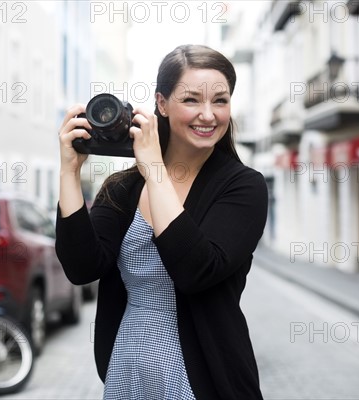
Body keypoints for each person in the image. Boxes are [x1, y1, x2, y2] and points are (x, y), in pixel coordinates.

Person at [55, 45, 268, 399]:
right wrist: (69, 170)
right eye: (190, 100)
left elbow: (196, 271)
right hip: (129, 364)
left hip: (205, 374)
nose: (208, 115)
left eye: (220, 100)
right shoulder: (123, 187)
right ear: (162, 103)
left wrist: (154, 170)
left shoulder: (243, 186)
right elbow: (81, 267)